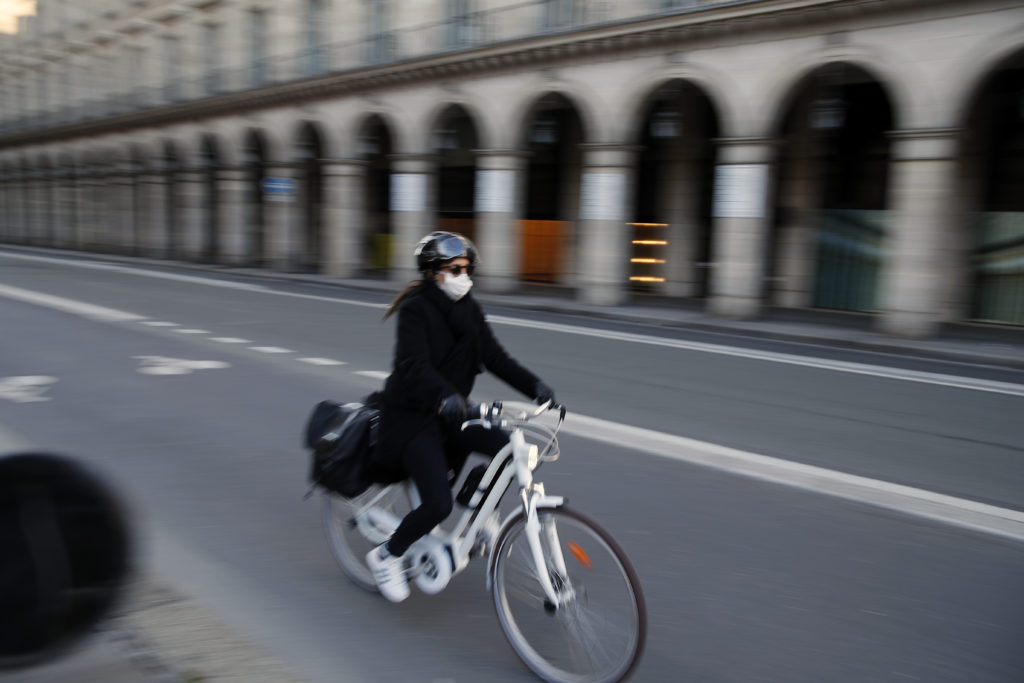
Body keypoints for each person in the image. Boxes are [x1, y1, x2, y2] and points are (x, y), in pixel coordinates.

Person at [367, 231, 555, 603]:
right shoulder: (416, 310)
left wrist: (536, 386)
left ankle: (480, 515)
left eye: (467, 269)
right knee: (437, 505)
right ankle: (386, 555)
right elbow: (413, 366)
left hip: (452, 414)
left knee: (506, 450)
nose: (463, 276)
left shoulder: (468, 308)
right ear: (434, 272)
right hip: (411, 419)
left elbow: (496, 357)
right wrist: (447, 397)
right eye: (455, 269)